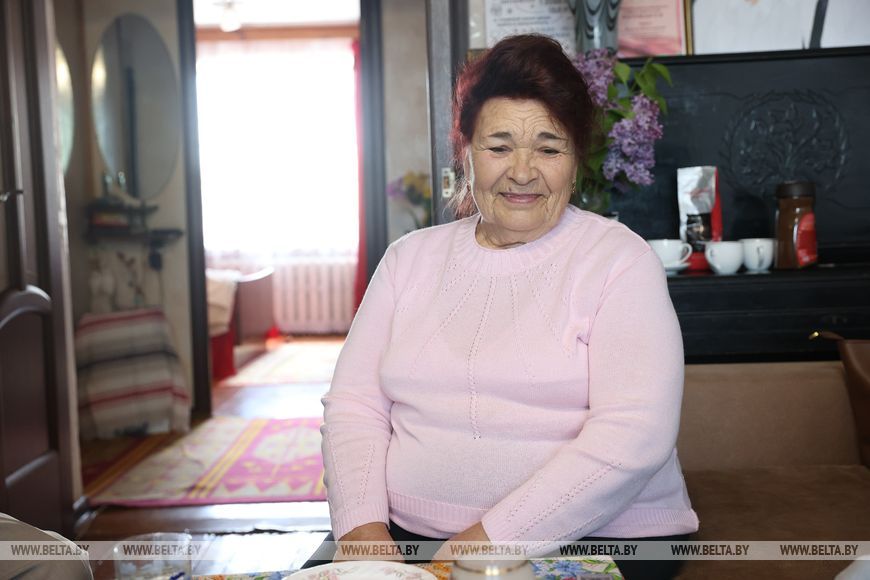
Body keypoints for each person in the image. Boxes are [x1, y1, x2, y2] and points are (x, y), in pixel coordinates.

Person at [307, 34, 699, 579]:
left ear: (575, 162)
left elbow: (636, 433)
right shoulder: (408, 259)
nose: (522, 172)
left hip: (600, 537)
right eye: (499, 147)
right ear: (465, 152)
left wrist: (485, 543)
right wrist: (363, 533)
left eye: (549, 148)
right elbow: (355, 405)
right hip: (400, 534)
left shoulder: (619, 261)